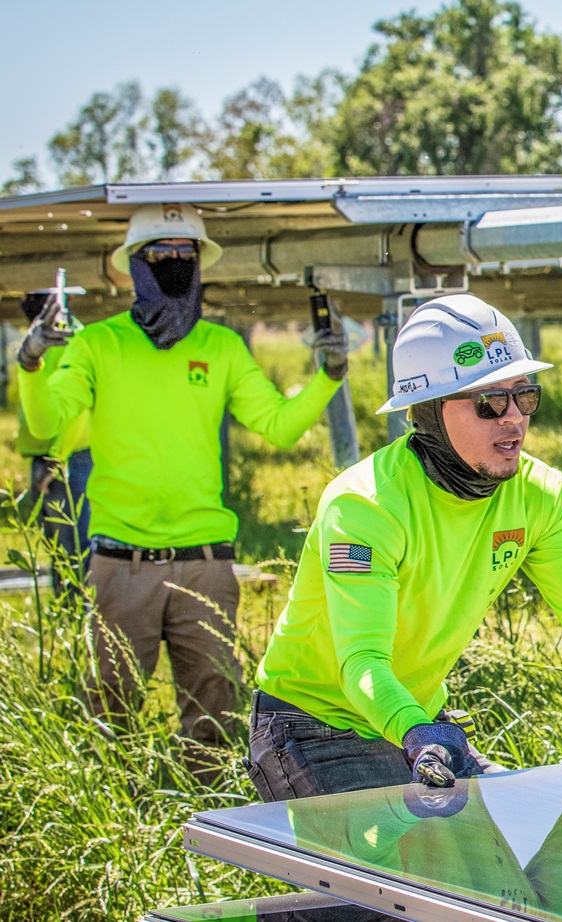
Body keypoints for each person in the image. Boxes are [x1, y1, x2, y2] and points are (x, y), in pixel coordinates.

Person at [249, 295, 562, 801]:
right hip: (314, 725)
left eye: (525, 396)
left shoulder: (539, 494)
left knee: (498, 875)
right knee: (381, 881)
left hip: (418, 723)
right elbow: (361, 660)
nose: (513, 417)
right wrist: (415, 730)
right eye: (490, 401)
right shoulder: (366, 506)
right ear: (428, 411)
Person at [16, 204, 348, 780]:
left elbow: (279, 425)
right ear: (134, 268)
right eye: (160, 254)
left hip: (205, 566)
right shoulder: (98, 345)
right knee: (109, 719)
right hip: (121, 565)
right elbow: (46, 426)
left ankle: (215, 831)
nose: (174, 263)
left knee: (215, 723)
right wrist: (32, 362)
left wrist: (329, 376)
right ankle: (115, 825)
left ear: (200, 265)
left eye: (184, 254)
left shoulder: (221, 348)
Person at [14, 292, 92, 599]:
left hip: (68, 458)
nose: (26, 299)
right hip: (49, 457)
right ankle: (67, 620)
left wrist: (56, 460)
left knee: (74, 548)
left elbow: (79, 410)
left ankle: (82, 622)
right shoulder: (43, 338)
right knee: (57, 548)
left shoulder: (72, 338)